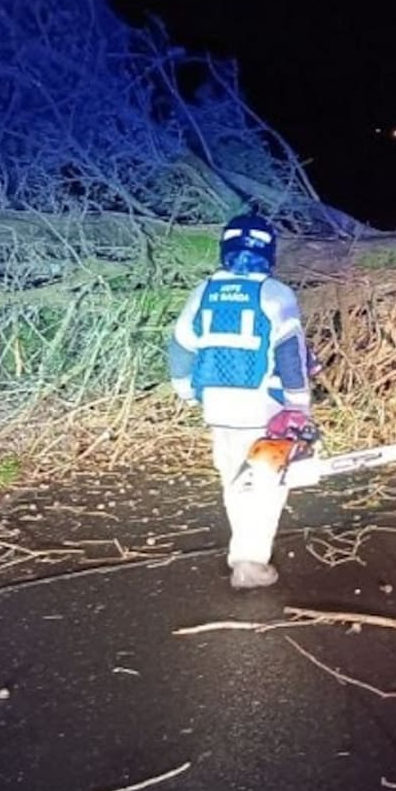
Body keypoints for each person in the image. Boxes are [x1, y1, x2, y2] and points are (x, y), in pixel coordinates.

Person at [168, 210, 312, 589]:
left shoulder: (203, 292)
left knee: (234, 479)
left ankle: (243, 552)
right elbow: (289, 353)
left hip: (217, 406)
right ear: (269, 252)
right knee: (268, 483)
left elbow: (181, 346)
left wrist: (185, 391)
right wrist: (299, 405)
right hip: (263, 407)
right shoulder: (275, 294)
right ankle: (250, 562)